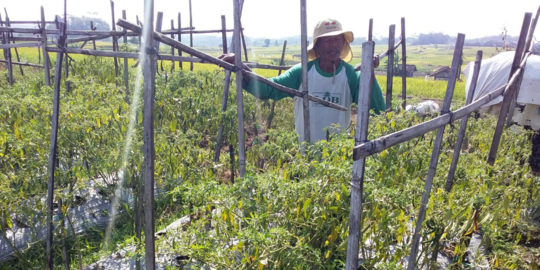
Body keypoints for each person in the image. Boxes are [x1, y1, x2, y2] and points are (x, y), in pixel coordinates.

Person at [219, 18, 385, 144]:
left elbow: (376, 108)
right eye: (327, 40)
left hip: (338, 159)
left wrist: (369, 73)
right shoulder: (302, 72)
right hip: (305, 157)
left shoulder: (349, 75)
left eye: (337, 39)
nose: (333, 45)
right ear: (317, 45)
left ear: (343, 43)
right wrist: (241, 68)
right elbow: (269, 88)